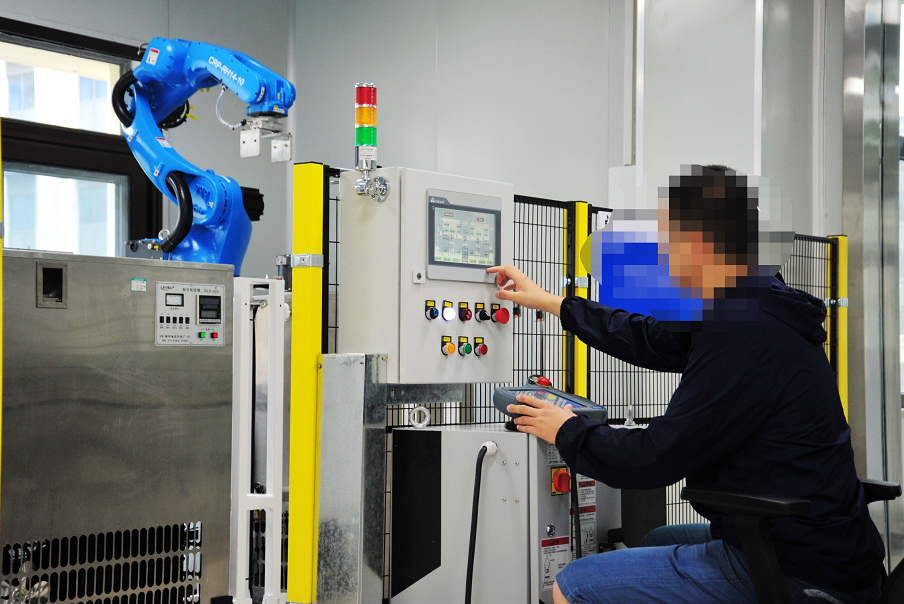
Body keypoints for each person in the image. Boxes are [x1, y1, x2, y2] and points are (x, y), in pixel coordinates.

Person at [487, 165, 884, 604]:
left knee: (573, 585)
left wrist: (567, 430)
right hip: (830, 549)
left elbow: (654, 457)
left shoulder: (741, 330)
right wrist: (555, 303)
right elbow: (649, 337)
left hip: (802, 570)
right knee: (658, 539)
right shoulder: (757, 302)